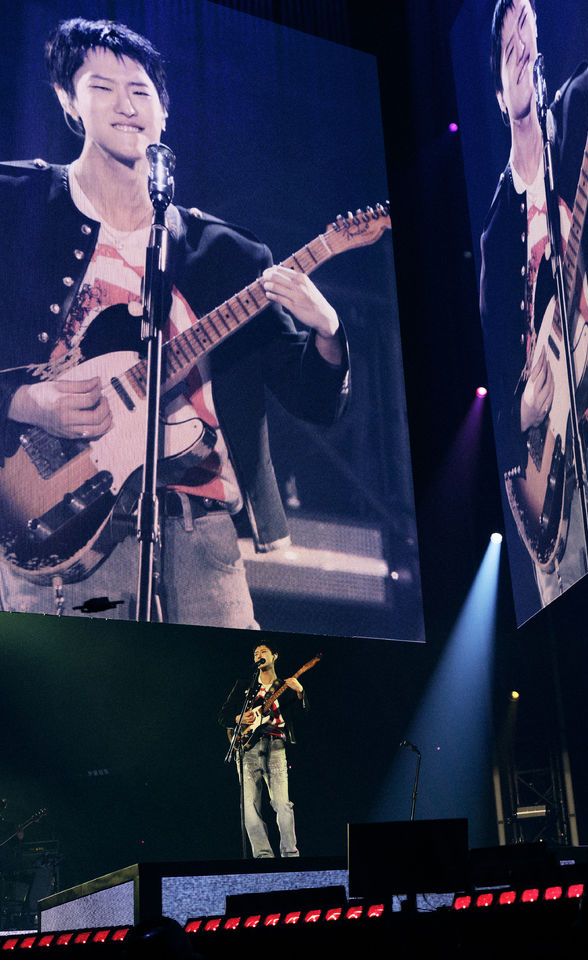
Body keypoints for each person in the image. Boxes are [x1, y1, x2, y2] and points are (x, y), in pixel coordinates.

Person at [0, 18, 349, 626]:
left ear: (164, 111)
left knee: (231, 686)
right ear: (67, 100)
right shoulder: (17, 204)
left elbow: (312, 399)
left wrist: (329, 331)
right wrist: (23, 400)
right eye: (102, 87)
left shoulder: (229, 255)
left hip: (201, 530)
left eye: (141, 91)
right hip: (62, 518)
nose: (126, 105)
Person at [479, 0, 588, 605]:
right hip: (545, 475)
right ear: (498, 95)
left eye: (527, 37)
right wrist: (523, 410)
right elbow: (494, 389)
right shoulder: (497, 232)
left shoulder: (579, 110)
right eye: (508, 49)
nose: (522, 52)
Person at [218, 642, 306, 859]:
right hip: (247, 749)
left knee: (282, 803)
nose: (258, 655)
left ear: (275, 656)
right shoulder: (244, 686)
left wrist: (300, 693)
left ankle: (290, 855)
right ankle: (263, 857)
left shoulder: (285, 686)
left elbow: (303, 717)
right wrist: (239, 718)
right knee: (250, 806)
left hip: (275, 746)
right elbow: (223, 716)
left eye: (263, 651)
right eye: (255, 653)